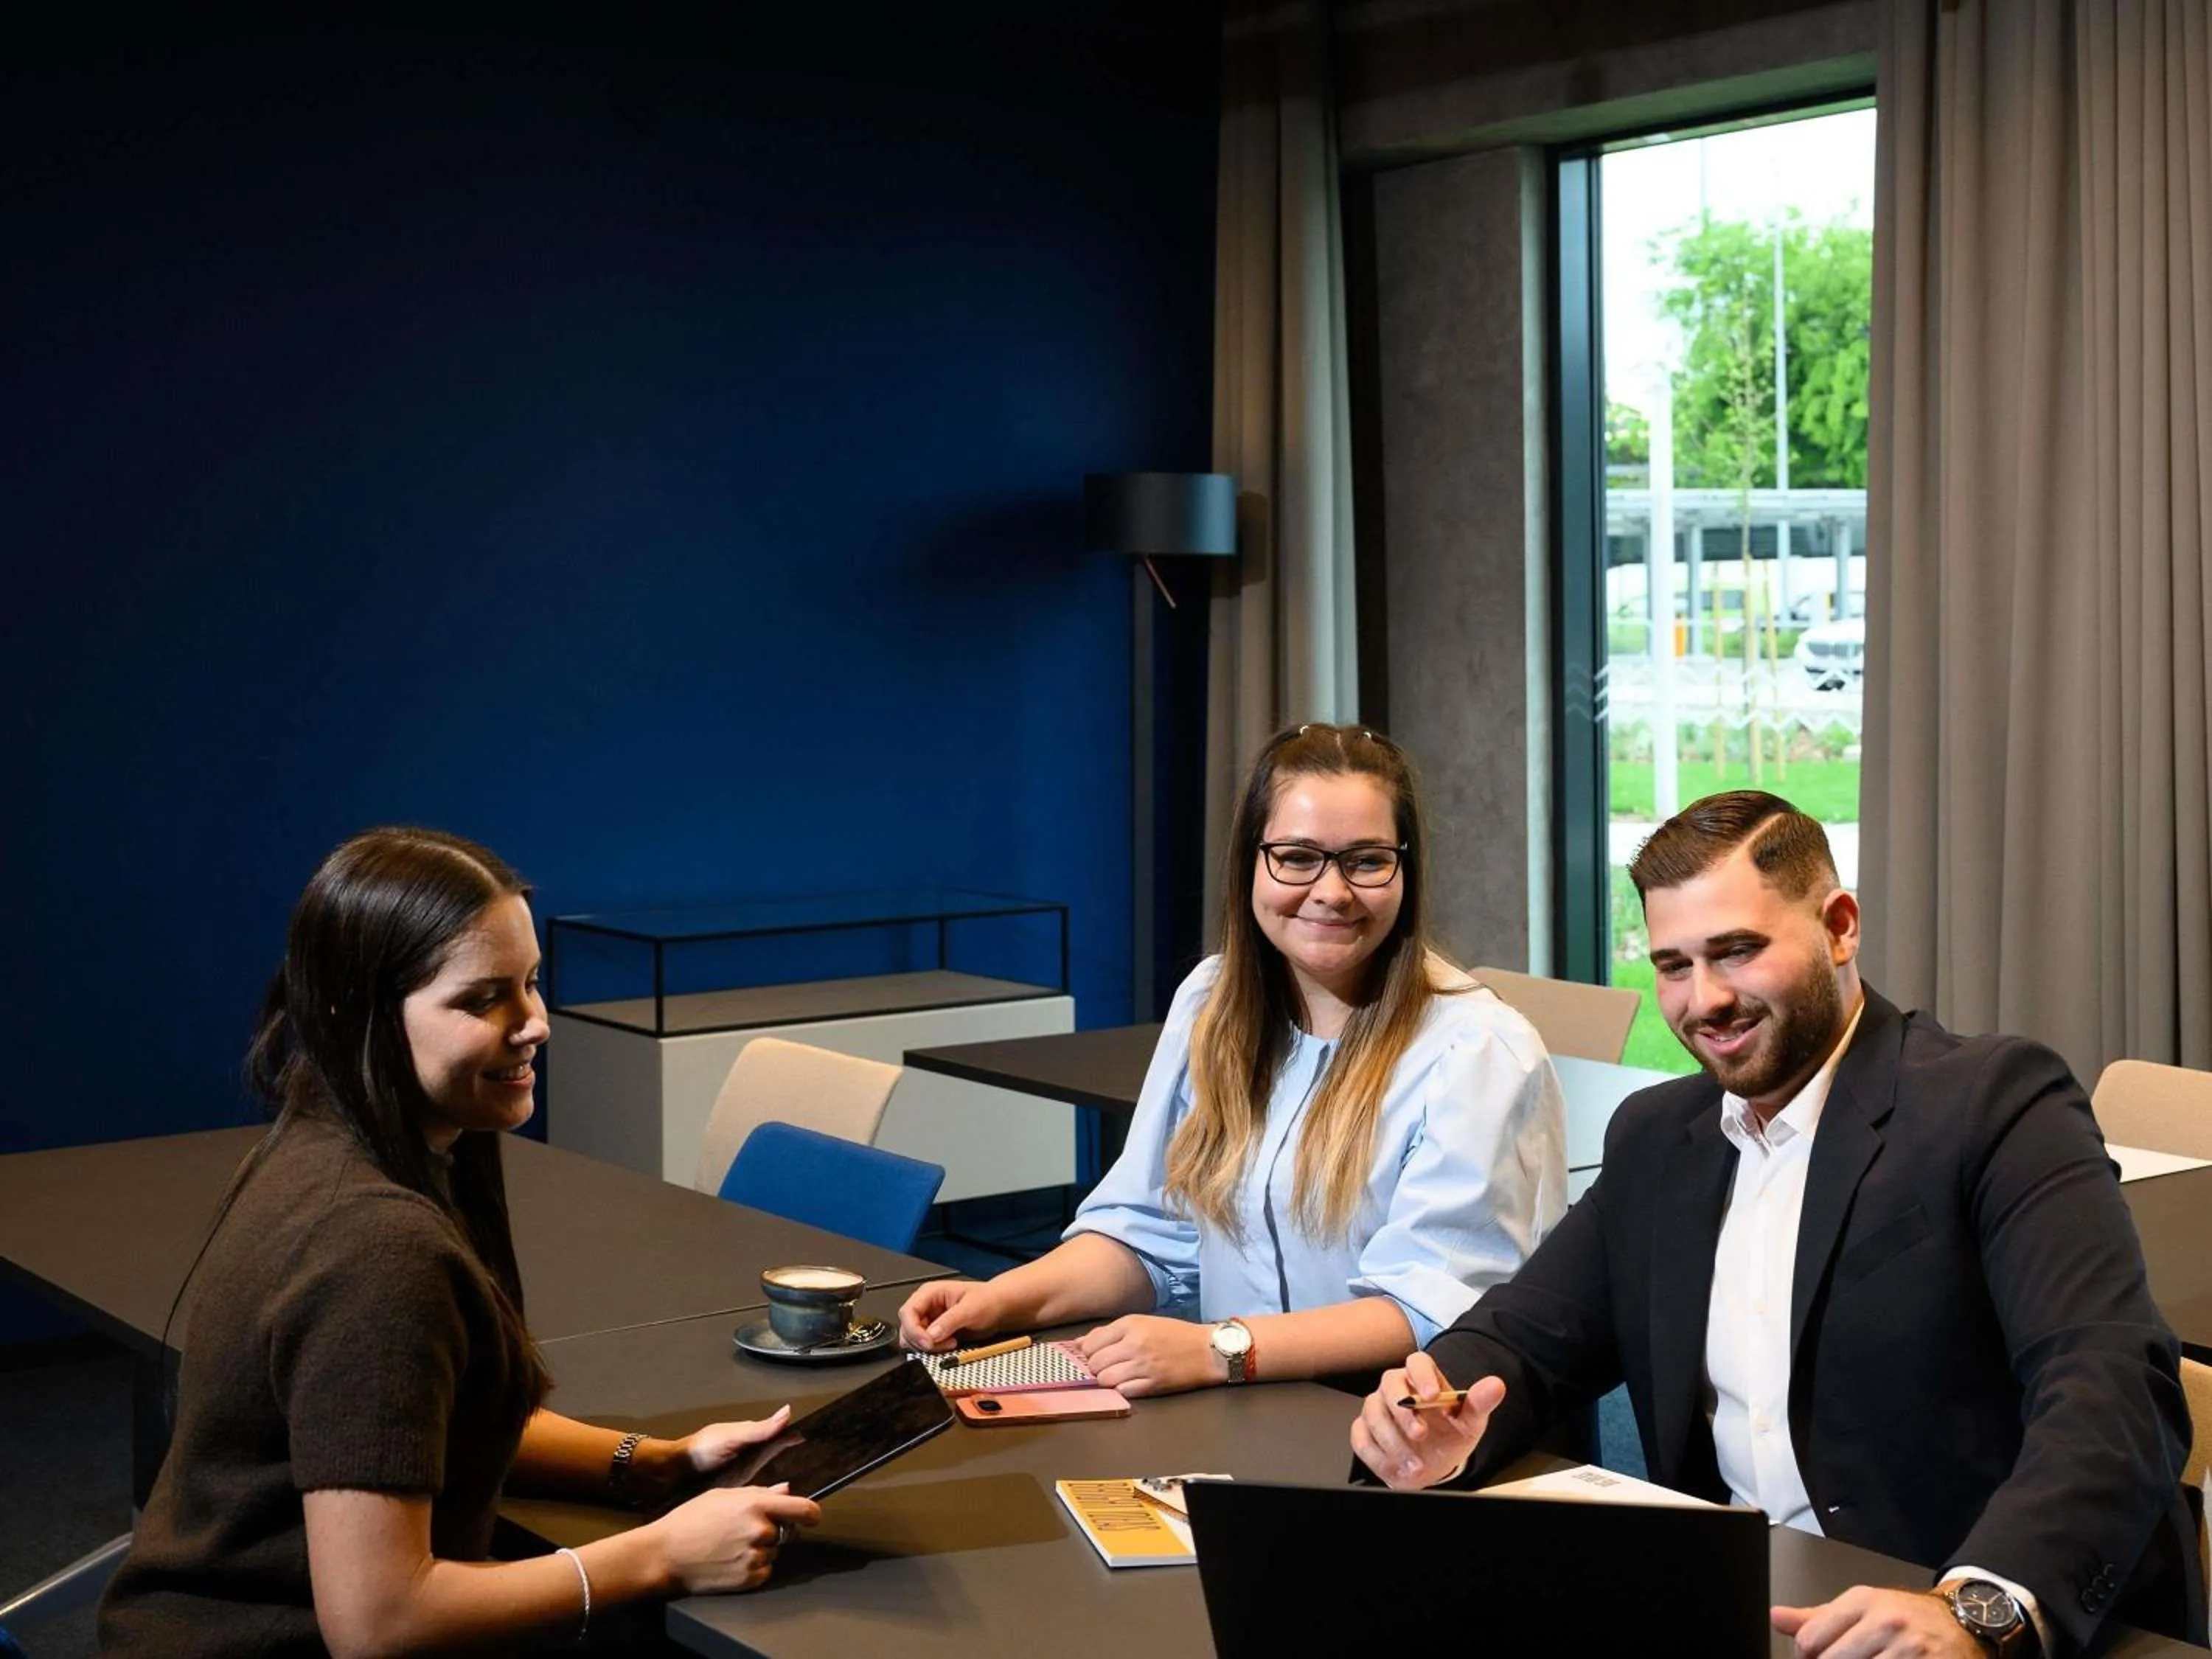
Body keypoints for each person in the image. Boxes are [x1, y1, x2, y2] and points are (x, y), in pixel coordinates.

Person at [1351, 791, 2203, 1656]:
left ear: (1839, 927)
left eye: (1738, 952)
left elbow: (2112, 1385)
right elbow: (1525, 1338)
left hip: (1956, 1608)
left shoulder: (1997, 1103)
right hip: (1758, 1611)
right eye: (1674, 965)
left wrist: (1980, 1607)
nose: (1705, 999)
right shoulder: (1658, 1138)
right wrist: (1428, 1412)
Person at [100, 828, 821, 1657]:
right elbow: (379, 1623)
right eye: (482, 1000)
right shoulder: (376, 1249)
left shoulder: (344, 1138)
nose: (535, 1023)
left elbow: (410, 1421)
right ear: (361, 1013)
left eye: (532, 984)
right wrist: (659, 1554)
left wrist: (652, 1463)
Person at [899, 723, 1568, 1395]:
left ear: (1406, 870)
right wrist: (1001, 1298)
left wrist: (1220, 1349)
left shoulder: (1476, 1048)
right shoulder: (1212, 1001)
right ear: (1251, 861)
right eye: (1298, 857)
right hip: (1237, 1404)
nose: (1333, 891)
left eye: (1367, 860)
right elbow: (1152, 1232)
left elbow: (1433, 1306)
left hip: (1389, 1431)